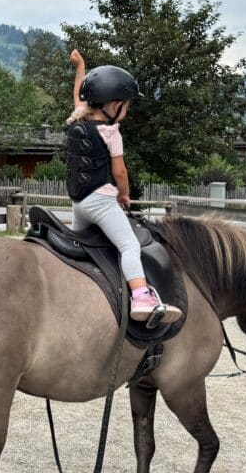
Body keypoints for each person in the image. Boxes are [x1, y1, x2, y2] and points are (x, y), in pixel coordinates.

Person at [65, 50, 181, 324]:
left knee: (80, 245)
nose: (126, 111)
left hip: (79, 203)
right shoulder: (111, 132)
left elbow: (79, 97)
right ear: (114, 105)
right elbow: (119, 171)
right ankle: (141, 297)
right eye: (126, 106)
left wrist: (80, 67)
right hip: (102, 202)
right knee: (129, 245)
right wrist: (125, 194)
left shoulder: (77, 120)